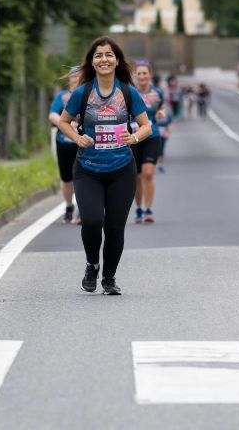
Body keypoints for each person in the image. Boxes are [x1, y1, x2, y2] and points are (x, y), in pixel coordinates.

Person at [58, 36, 151, 295]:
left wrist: (134, 137)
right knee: (91, 220)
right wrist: (78, 138)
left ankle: (109, 278)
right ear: (92, 62)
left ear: (117, 60)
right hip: (88, 169)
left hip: (122, 169)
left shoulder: (128, 93)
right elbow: (64, 122)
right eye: (98, 56)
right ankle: (92, 265)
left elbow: (146, 126)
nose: (104, 60)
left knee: (114, 227)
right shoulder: (83, 92)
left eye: (109, 55)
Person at [131, 61, 165, 223]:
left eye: (145, 73)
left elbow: (162, 108)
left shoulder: (157, 93)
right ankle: (138, 208)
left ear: (150, 75)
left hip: (152, 137)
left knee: (148, 173)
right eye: (139, 73)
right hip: (133, 138)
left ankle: (149, 209)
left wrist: (160, 114)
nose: (142, 76)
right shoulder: (129, 92)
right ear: (135, 76)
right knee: (136, 177)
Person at [48, 68, 80, 223]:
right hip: (64, 142)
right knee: (66, 178)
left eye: (79, 75)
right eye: (73, 75)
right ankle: (69, 206)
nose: (76, 78)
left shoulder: (88, 94)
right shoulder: (62, 96)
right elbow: (52, 114)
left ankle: (82, 208)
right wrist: (65, 123)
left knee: (83, 176)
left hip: (83, 143)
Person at [156, 103, 173, 173]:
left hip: (163, 133)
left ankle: (160, 165)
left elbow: (169, 124)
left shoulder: (167, 113)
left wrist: (168, 132)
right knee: (154, 149)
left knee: (161, 150)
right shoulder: (152, 113)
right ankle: (154, 164)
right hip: (154, 133)